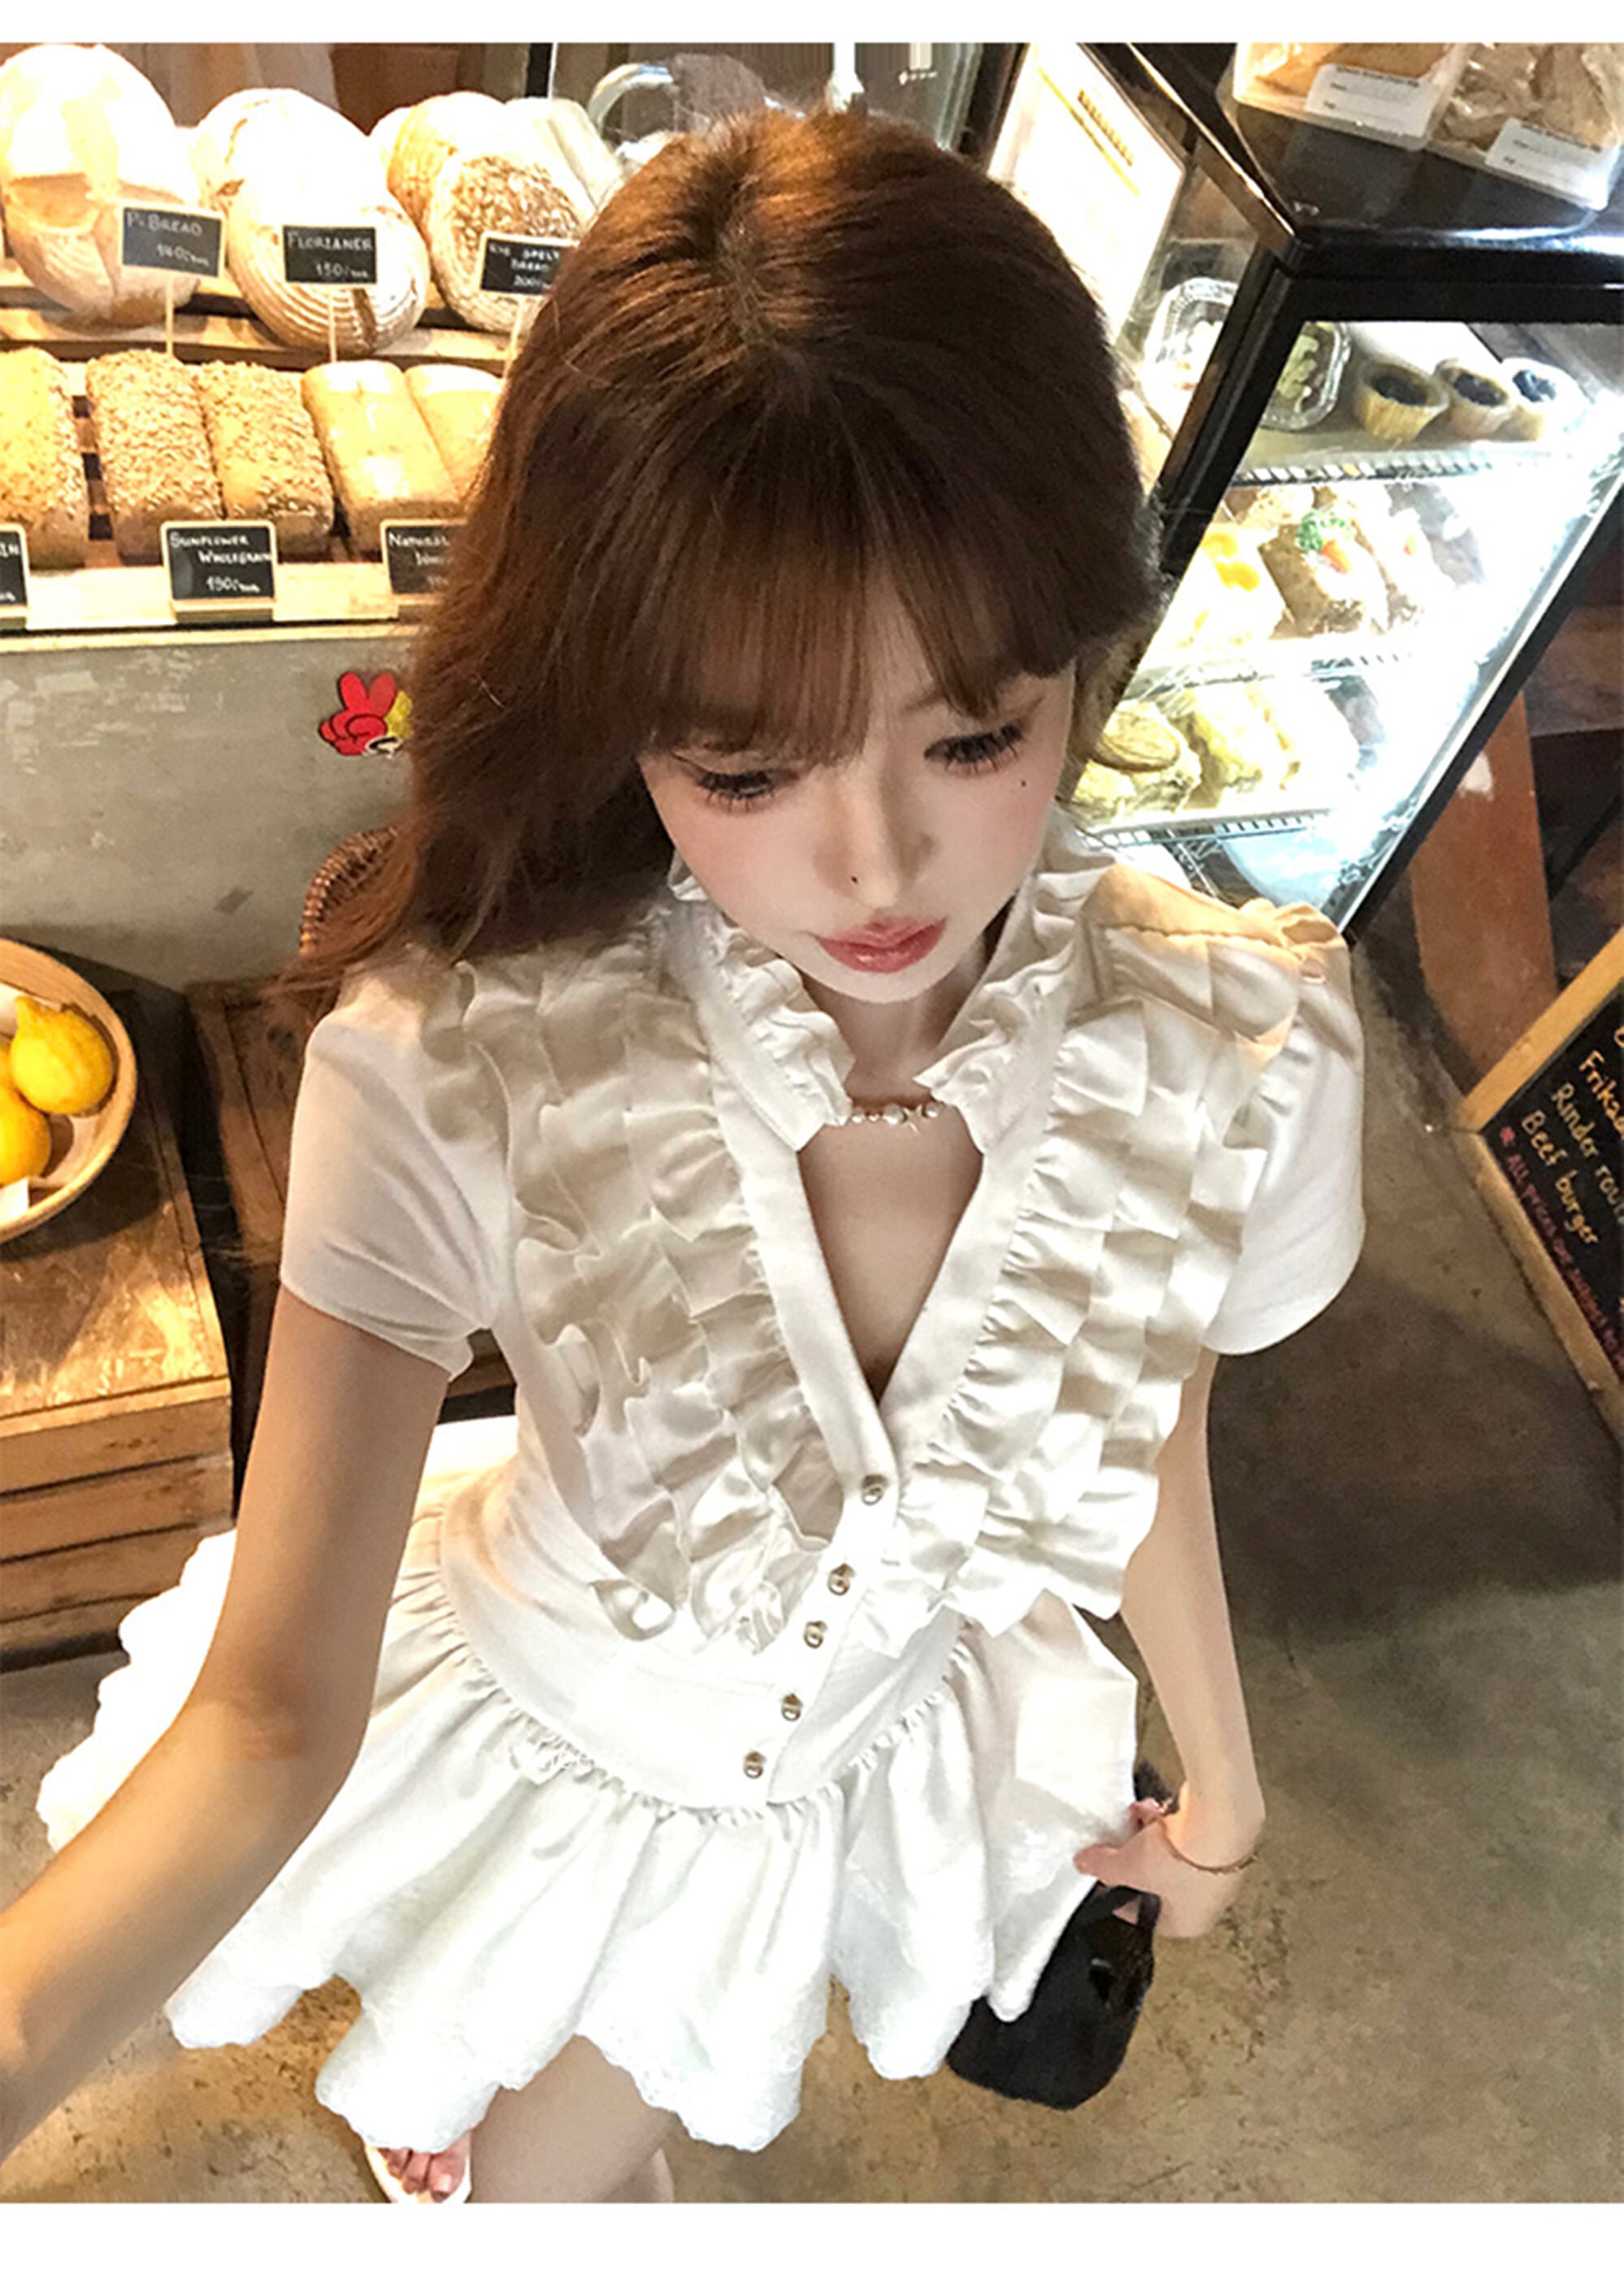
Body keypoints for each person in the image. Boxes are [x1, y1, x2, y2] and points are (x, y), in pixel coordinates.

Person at [0, 106, 1364, 2204]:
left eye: (974, 734)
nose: (876, 864)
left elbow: (1140, 1404)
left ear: (1087, 654)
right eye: (743, 766)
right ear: (610, 707)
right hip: (551, 1719)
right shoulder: (459, 1069)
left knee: (621, 2090)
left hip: (856, 1775)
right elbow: (269, 1713)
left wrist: (1225, 1778)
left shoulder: (1226, 1042)